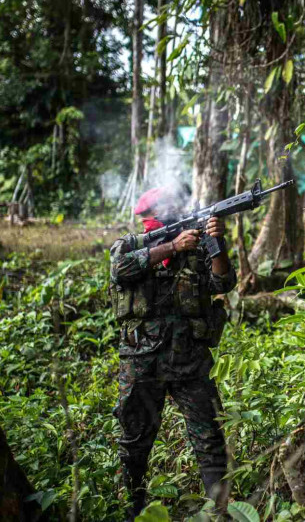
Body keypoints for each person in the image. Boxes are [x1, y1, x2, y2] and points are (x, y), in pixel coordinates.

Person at [109, 186, 236, 519]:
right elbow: (119, 269)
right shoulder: (130, 244)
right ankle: (134, 508)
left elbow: (224, 283)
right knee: (135, 441)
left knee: (210, 441)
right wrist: (170, 246)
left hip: (189, 361)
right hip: (141, 361)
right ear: (152, 215)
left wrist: (215, 243)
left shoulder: (196, 249)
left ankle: (219, 511)